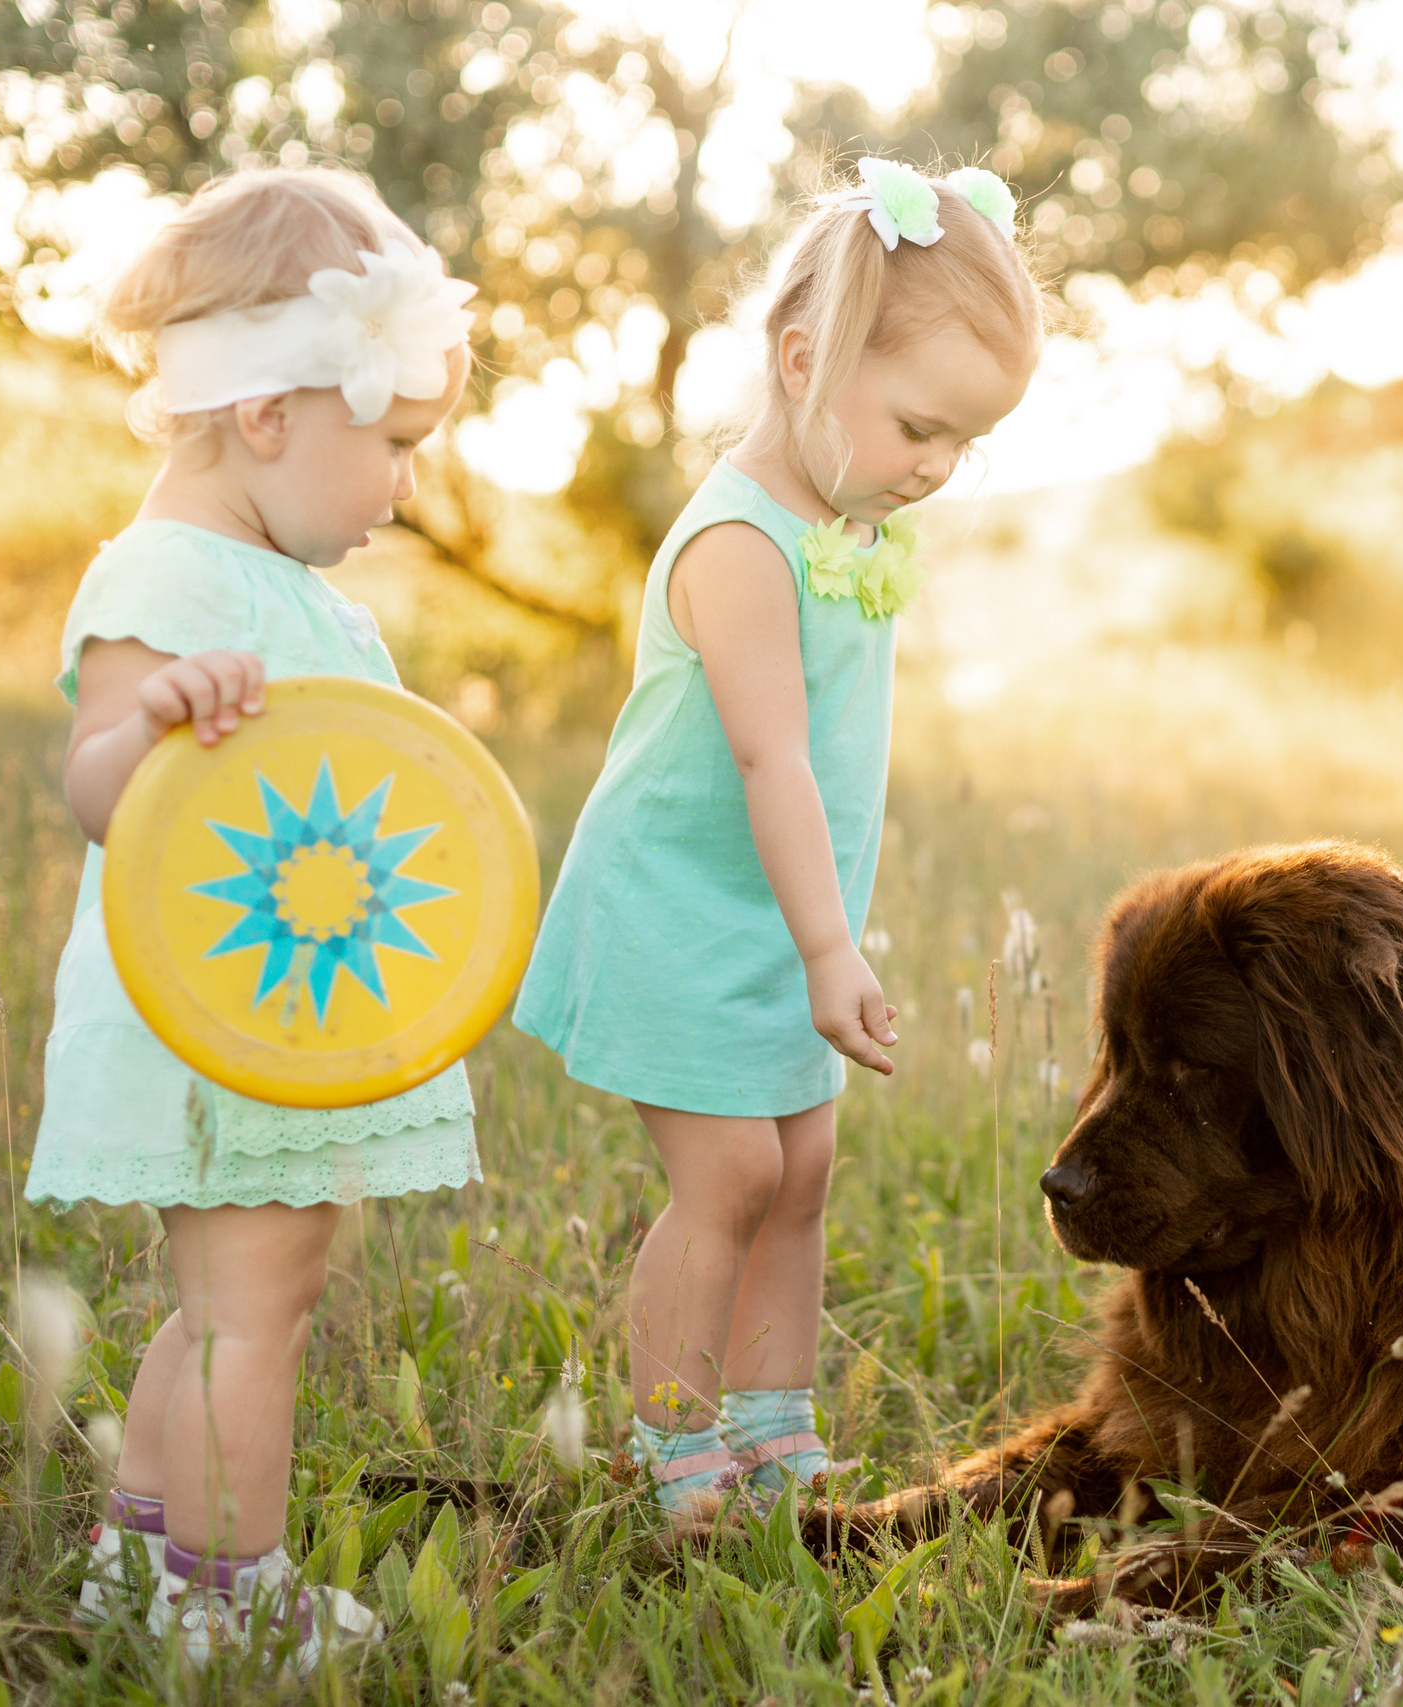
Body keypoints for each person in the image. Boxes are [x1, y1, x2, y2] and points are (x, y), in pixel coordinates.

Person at [516, 159, 1043, 1508]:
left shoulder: (842, 523)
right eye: (919, 427)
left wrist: (816, 933)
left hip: (775, 909)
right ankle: (673, 1436)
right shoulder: (741, 544)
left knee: (801, 1166)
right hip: (682, 908)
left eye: (966, 445)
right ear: (804, 362)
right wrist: (828, 946)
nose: (937, 468)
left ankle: (772, 1423)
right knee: (734, 1171)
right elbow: (772, 759)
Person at [21, 167, 479, 1665]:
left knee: (236, 1298)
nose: (404, 485)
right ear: (271, 414)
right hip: (213, 1012)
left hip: (281, 1006)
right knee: (252, 1315)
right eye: (394, 444)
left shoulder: (293, 589)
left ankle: (141, 1556)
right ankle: (226, 1591)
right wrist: (154, 722)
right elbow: (97, 783)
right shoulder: (166, 574)